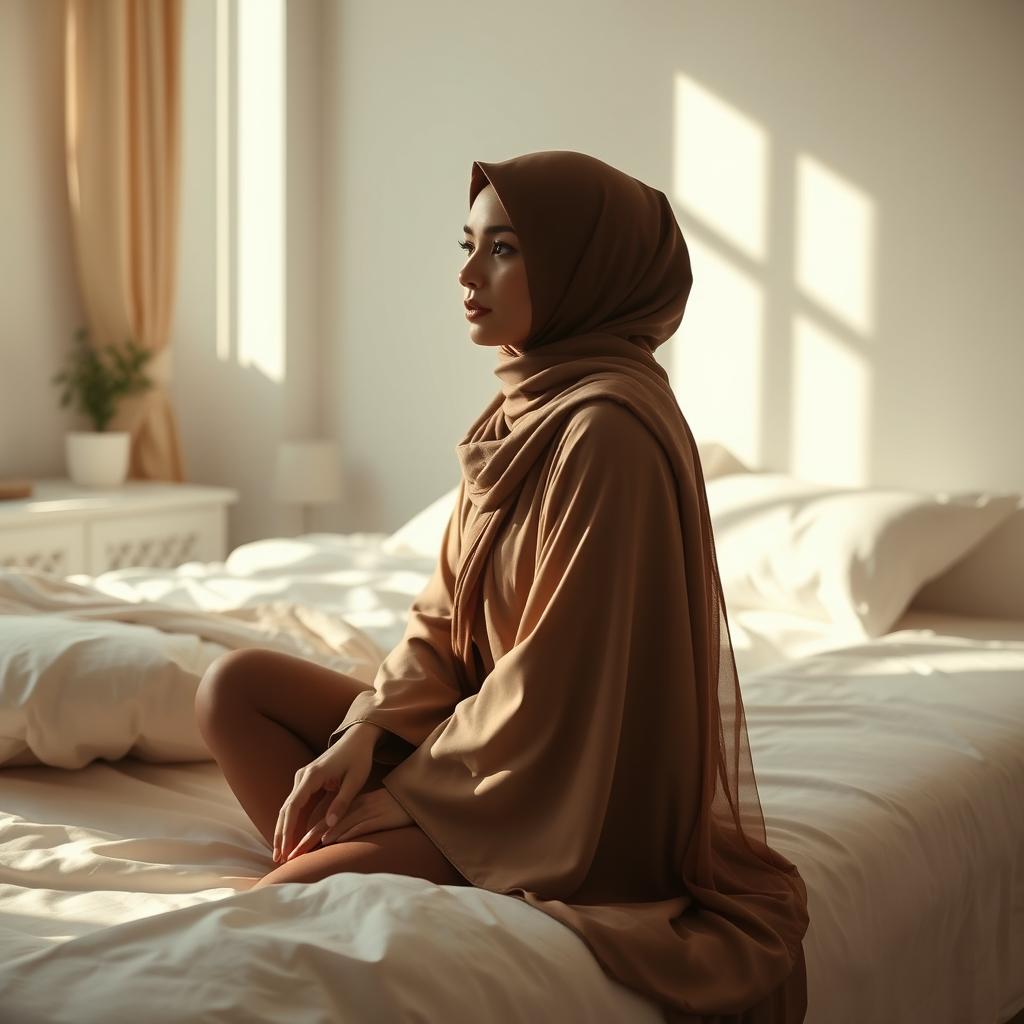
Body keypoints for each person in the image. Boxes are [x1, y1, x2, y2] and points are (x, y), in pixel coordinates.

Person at [195, 150, 811, 1023]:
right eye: (470, 244)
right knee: (234, 688)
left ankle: (392, 866)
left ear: (582, 271)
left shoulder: (608, 432)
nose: (467, 274)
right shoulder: (520, 410)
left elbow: (554, 686)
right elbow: (440, 615)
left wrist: (405, 800)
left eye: (505, 251)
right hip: (485, 749)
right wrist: (365, 736)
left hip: (561, 787)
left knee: (286, 898)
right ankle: (387, 858)